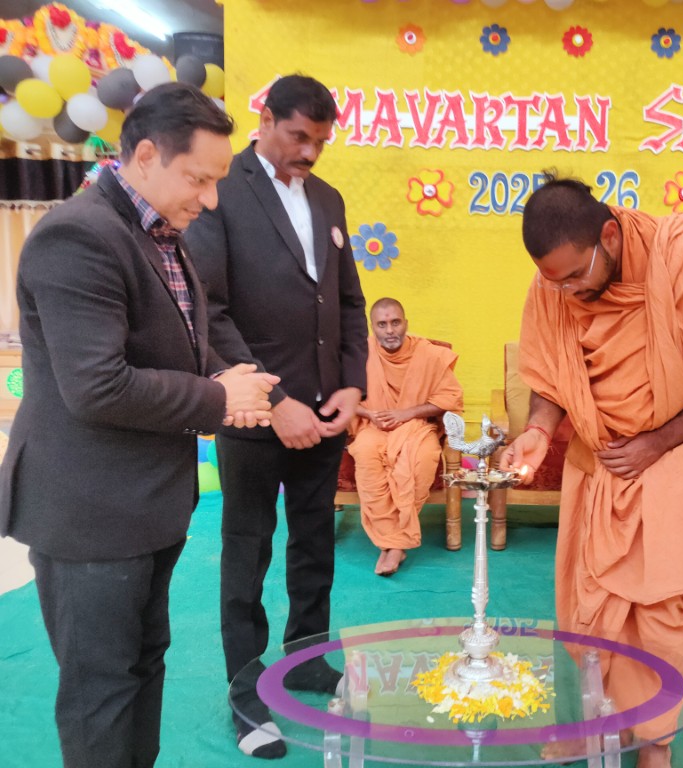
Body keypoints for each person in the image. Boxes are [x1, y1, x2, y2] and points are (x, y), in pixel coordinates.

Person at [0, 82, 278, 768]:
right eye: (200, 179)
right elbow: (97, 386)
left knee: (142, 666)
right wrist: (221, 400)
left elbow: (182, 344)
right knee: (101, 691)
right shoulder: (77, 235)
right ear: (147, 155)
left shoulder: (163, 236)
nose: (210, 199)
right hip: (89, 510)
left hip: (148, 503)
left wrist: (237, 376)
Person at [500, 172, 683, 768]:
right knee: (587, 606)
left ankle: (656, 741)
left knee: (661, 610)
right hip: (598, 461)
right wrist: (537, 430)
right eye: (557, 283)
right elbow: (548, 371)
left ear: (609, 236)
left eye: (577, 276)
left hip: (675, 449)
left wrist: (657, 442)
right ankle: (602, 723)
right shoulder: (554, 284)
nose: (568, 293)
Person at [185, 74, 368, 759]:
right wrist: (276, 400)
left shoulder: (328, 198)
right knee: (249, 551)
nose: (312, 153)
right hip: (255, 415)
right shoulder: (220, 192)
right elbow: (212, 310)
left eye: (321, 141)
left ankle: (309, 656)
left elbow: (351, 304)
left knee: (315, 542)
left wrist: (352, 386)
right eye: (300, 137)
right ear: (265, 119)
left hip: (325, 413)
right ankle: (246, 694)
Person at [348, 298, 463, 576]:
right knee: (364, 452)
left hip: (416, 427)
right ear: (372, 328)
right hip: (373, 426)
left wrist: (407, 413)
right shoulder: (360, 353)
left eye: (395, 322)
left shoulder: (428, 354)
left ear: (406, 323)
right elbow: (341, 396)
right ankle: (393, 540)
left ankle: (394, 546)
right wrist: (370, 413)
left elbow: (450, 398)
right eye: (382, 324)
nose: (390, 330)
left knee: (423, 456)